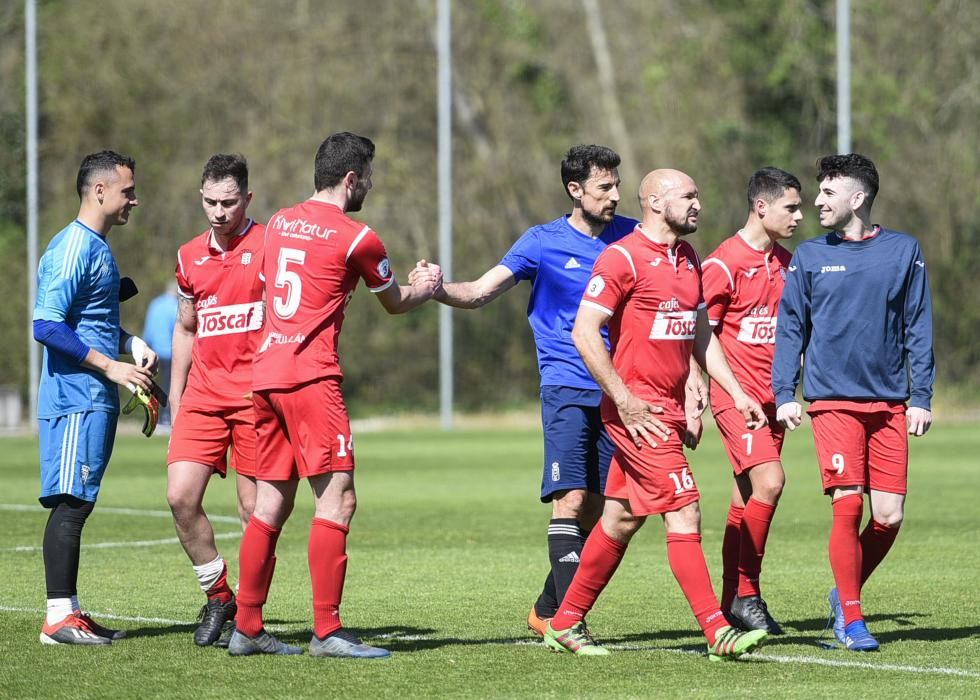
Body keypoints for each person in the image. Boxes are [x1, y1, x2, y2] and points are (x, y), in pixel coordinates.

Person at [412, 144, 648, 637]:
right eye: (605, 187)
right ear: (575, 189)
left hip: (618, 390)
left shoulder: (632, 237)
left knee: (607, 510)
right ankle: (569, 623)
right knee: (570, 499)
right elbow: (479, 291)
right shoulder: (541, 242)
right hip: (565, 384)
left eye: (617, 186)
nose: (615, 195)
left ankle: (546, 608)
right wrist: (437, 289)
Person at [228, 132, 442, 658]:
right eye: (368, 175)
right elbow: (394, 302)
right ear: (351, 179)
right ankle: (326, 631)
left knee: (271, 503)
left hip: (266, 375)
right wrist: (428, 286)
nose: (371, 183)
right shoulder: (359, 237)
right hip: (310, 378)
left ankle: (247, 627)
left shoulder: (278, 220)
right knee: (337, 498)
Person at [542, 168, 769, 660]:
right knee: (685, 509)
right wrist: (624, 399)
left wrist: (730, 389)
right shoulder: (621, 257)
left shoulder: (688, 257)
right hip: (638, 414)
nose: (698, 205)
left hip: (667, 409)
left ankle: (564, 622)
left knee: (621, 519)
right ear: (654, 201)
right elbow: (584, 332)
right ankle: (717, 631)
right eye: (688, 196)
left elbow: (699, 335)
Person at [773, 153, 934, 652]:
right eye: (817, 192)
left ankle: (843, 595)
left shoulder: (904, 251)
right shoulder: (810, 255)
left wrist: (921, 395)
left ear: (857, 198)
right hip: (832, 402)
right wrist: (784, 394)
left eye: (827, 192)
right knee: (847, 505)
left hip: (889, 402)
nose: (817, 201)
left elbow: (917, 326)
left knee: (888, 516)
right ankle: (853, 618)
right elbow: (791, 327)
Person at [32, 150, 158, 645]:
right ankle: (57, 618)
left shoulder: (100, 248)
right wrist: (111, 366)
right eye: (128, 191)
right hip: (75, 397)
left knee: (80, 501)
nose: (134, 199)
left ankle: (71, 610)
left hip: (95, 396)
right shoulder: (72, 248)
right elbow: (46, 324)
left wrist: (131, 343)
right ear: (100, 191)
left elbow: (94, 322)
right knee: (69, 504)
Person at [166, 154, 264, 646]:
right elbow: (185, 328)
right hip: (203, 396)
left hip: (255, 400)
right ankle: (218, 594)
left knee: (253, 511)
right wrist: (177, 398)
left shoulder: (271, 246)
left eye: (229, 202)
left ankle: (248, 614)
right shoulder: (187, 256)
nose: (219, 211)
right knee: (180, 497)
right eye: (210, 202)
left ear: (248, 198)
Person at [700, 167, 802, 634]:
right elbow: (699, 335)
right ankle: (747, 593)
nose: (799, 216)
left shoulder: (787, 262)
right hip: (735, 397)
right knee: (772, 482)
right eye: (791, 207)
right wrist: (702, 390)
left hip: (772, 400)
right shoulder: (722, 264)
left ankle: (730, 602)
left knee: (746, 499)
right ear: (762, 207)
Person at [142, 282, 178, 429]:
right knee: (170, 385)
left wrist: (145, 347)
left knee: (153, 386)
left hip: (153, 351)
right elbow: (177, 331)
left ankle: (154, 415)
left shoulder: (155, 304)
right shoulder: (175, 306)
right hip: (170, 352)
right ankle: (166, 417)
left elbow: (148, 328)